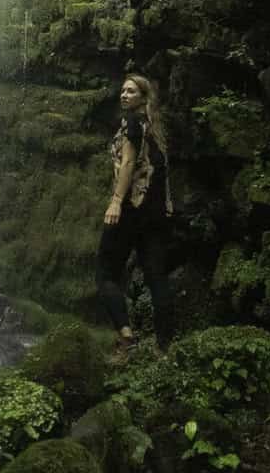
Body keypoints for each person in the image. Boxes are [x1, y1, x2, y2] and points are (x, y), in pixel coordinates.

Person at [96, 72, 174, 356]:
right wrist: (166, 208)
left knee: (105, 273)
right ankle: (166, 346)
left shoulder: (131, 123)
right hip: (155, 216)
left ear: (142, 97)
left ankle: (127, 337)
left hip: (130, 211)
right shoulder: (155, 130)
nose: (123, 95)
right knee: (156, 278)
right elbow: (161, 175)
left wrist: (116, 201)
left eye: (130, 91)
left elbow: (128, 163)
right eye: (123, 90)